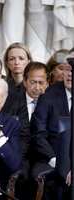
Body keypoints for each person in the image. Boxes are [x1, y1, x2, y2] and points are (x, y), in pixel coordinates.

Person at [30, 57, 72, 200]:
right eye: (67, 69)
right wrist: (56, 160)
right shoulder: (48, 95)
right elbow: (38, 134)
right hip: (50, 157)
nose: (70, 74)